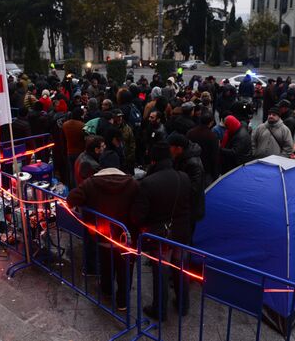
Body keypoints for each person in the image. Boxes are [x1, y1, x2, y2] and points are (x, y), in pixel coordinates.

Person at [132, 142, 192, 321]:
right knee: (181, 268)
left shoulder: (149, 183)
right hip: (182, 233)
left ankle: (160, 309)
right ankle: (183, 305)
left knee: (161, 272)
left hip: (161, 234)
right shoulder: (184, 177)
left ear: (153, 161)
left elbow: (137, 216)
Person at [67, 167, 139, 310]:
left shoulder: (90, 184)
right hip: (126, 237)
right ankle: (122, 302)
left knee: (106, 262)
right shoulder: (133, 184)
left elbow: (71, 199)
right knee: (125, 269)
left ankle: (106, 290)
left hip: (102, 235)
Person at [167, 133, 205, 236]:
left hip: (188, 209)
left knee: (185, 236)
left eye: (170, 147)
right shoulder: (181, 158)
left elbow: (193, 190)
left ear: (178, 148)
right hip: (183, 207)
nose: (168, 150)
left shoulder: (193, 164)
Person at [186, 111, 220, 186]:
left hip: (191, 166)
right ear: (211, 122)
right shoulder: (212, 136)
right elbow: (214, 156)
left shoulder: (190, 132)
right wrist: (215, 174)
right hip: (206, 168)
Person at [63, 107, 86, 187]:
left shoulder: (65, 125)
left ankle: (72, 188)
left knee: (72, 171)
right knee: (79, 172)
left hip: (69, 151)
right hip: (80, 151)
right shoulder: (82, 125)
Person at [113, 109, 136, 174]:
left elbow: (132, 142)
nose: (120, 118)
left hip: (126, 158)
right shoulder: (111, 128)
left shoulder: (127, 128)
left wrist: (130, 156)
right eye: (118, 117)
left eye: (121, 116)